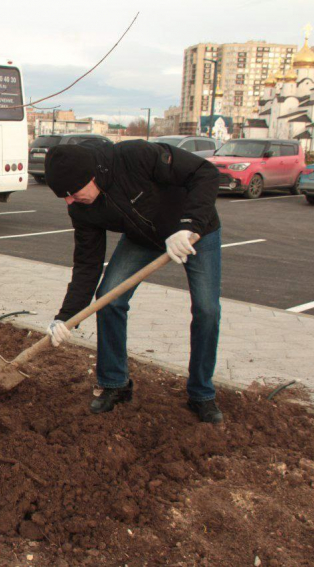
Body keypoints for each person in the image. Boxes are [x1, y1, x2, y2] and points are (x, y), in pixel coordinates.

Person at [43, 140, 223, 424]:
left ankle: (201, 393)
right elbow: (87, 264)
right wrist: (67, 317)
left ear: (91, 175)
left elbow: (205, 173)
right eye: (63, 196)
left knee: (206, 310)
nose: (69, 201)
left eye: (72, 192)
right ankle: (115, 384)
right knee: (110, 298)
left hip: (195, 232)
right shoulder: (81, 207)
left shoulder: (136, 156)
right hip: (142, 240)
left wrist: (190, 224)